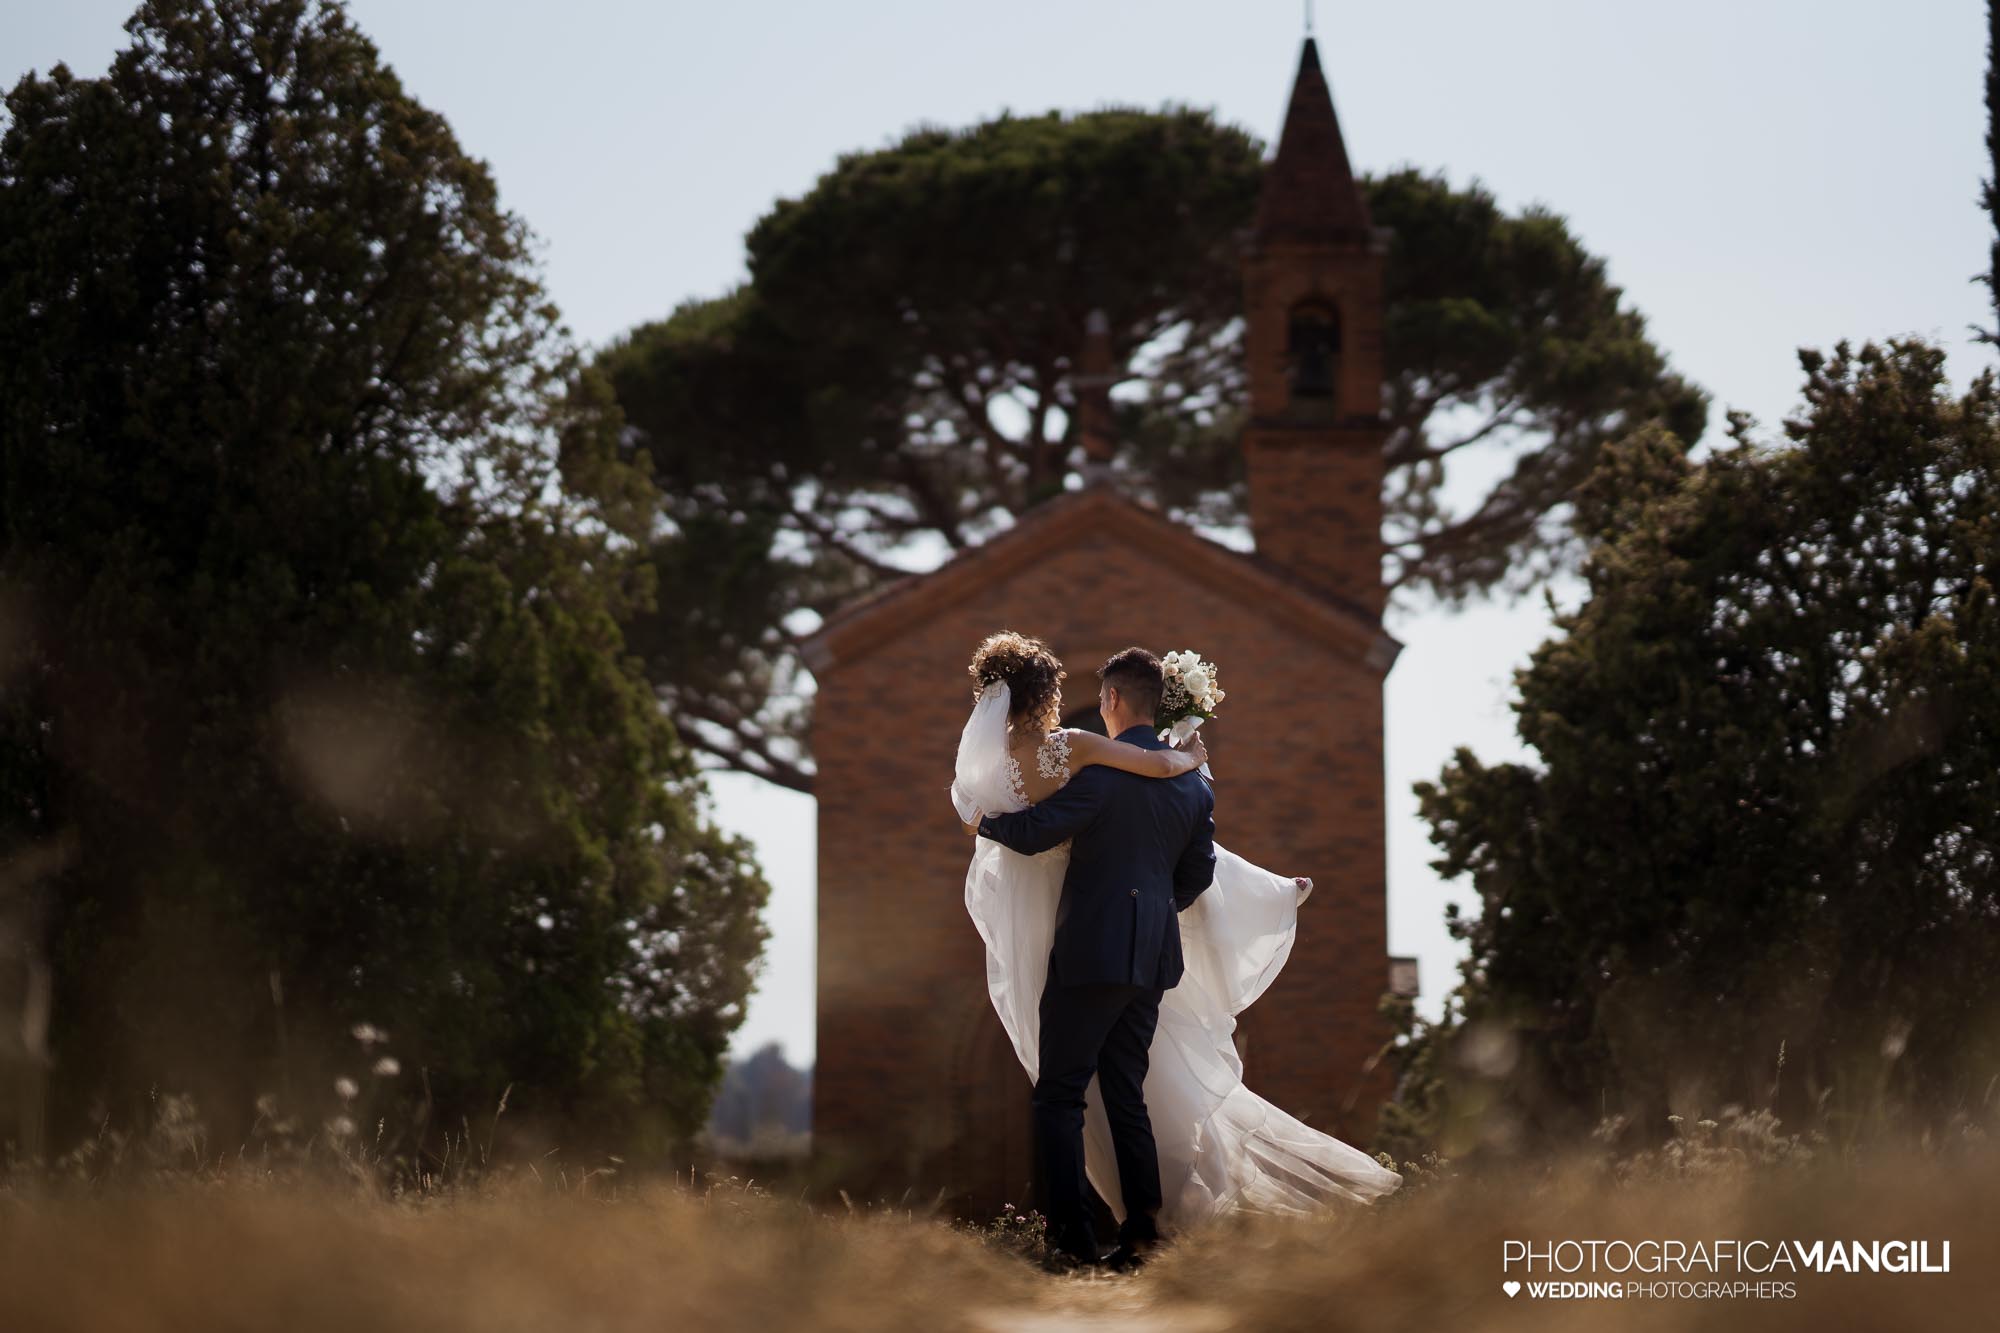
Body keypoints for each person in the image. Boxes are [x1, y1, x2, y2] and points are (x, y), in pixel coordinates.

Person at [950, 633, 1401, 1271]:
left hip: (1090, 954)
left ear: (1109, 699)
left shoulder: (1101, 772)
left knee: (1059, 1095)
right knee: (1127, 1093)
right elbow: (1196, 875)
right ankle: (1141, 1235)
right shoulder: (1194, 787)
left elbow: (1036, 831)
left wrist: (980, 821)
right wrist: (1153, 910)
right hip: (1152, 959)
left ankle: (1072, 1242)